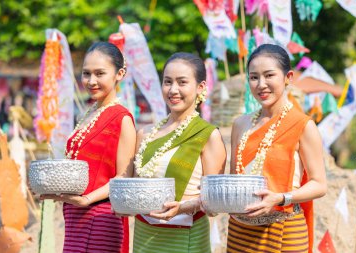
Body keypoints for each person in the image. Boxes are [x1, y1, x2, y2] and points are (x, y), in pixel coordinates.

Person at [226, 44, 327, 253]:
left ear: (288, 77)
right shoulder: (240, 124)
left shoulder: (303, 125)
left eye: (269, 75)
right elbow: (234, 179)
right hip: (240, 230)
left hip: (285, 230)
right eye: (254, 77)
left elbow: (319, 184)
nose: (261, 84)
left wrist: (281, 198)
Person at [41, 41, 136, 253]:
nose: (91, 81)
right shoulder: (89, 114)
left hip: (101, 217)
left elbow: (123, 177)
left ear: (119, 74)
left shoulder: (122, 119)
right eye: (86, 74)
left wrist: (86, 200)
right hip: (75, 214)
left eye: (100, 73)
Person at [132, 52, 226, 253]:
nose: (173, 90)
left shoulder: (207, 135)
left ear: (200, 87)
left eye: (182, 82)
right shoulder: (145, 133)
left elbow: (214, 202)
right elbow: (133, 184)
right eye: (168, 82)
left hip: (185, 235)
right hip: (143, 234)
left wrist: (182, 207)